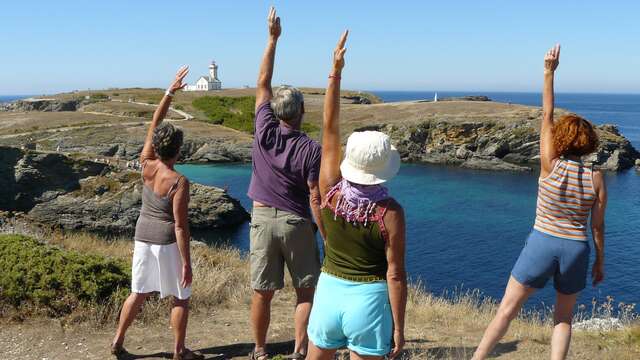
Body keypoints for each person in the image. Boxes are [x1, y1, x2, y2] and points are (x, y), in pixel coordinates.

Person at [472, 45, 607, 360]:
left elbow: (546, 115)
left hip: (543, 242)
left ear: (562, 139)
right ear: (588, 143)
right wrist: (600, 260)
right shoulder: (597, 178)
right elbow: (597, 227)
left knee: (507, 309)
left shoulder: (550, 164)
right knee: (563, 318)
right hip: (576, 247)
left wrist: (548, 72)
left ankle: (478, 358)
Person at [306, 31, 407, 360]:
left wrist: (335, 72)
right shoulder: (390, 212)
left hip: (328, 294)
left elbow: (329, 127)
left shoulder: (330, 189)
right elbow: (395, 273)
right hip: (369, 301)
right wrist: (399, 328)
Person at [111, 67, 203, 360]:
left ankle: (117, 340)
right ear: (178, 150)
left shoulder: (146, 163)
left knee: (138, 292)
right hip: (165, 241)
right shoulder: (179, 181)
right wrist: (186, 263)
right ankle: (179, 352)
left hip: (142, 237)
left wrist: (170, 91)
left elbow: (155, 121)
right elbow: (180, 227)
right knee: (180, 296)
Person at [248, 6, 325, 360]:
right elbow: (314, 195)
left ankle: (261, 351)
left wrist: (272, 39)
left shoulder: (263, 128)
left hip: (262, 219)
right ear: (301, 111)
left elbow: (263, 81)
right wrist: (323, 232)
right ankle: (298, 350)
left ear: (277, 111)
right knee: (305, 291)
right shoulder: (311, 149)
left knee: (262, 292)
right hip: (296, 222)